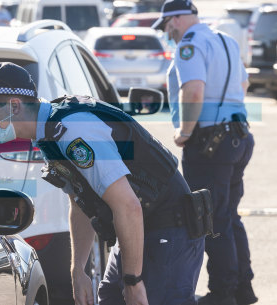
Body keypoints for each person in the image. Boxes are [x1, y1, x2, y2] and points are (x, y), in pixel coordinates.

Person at [0, 62, 210, 305]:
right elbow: (82, 201)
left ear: (14, 105)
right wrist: (78, 269)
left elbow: (128, 206)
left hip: (167, 230)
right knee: (110, 298)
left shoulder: (72, 131)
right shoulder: (48, 132)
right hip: (138, 229)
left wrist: (133, 280)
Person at [152, 1, 256, 305]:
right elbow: (244, 82)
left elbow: (193, 90)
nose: (166, 32)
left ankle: (223, 293)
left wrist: (185, 132)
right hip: (238, 136)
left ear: (177, 20)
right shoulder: (225, 39)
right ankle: (241, 289)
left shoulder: (190, 45)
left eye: (166, 25)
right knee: (227, 216)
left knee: (210, 219)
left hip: (210, 142)